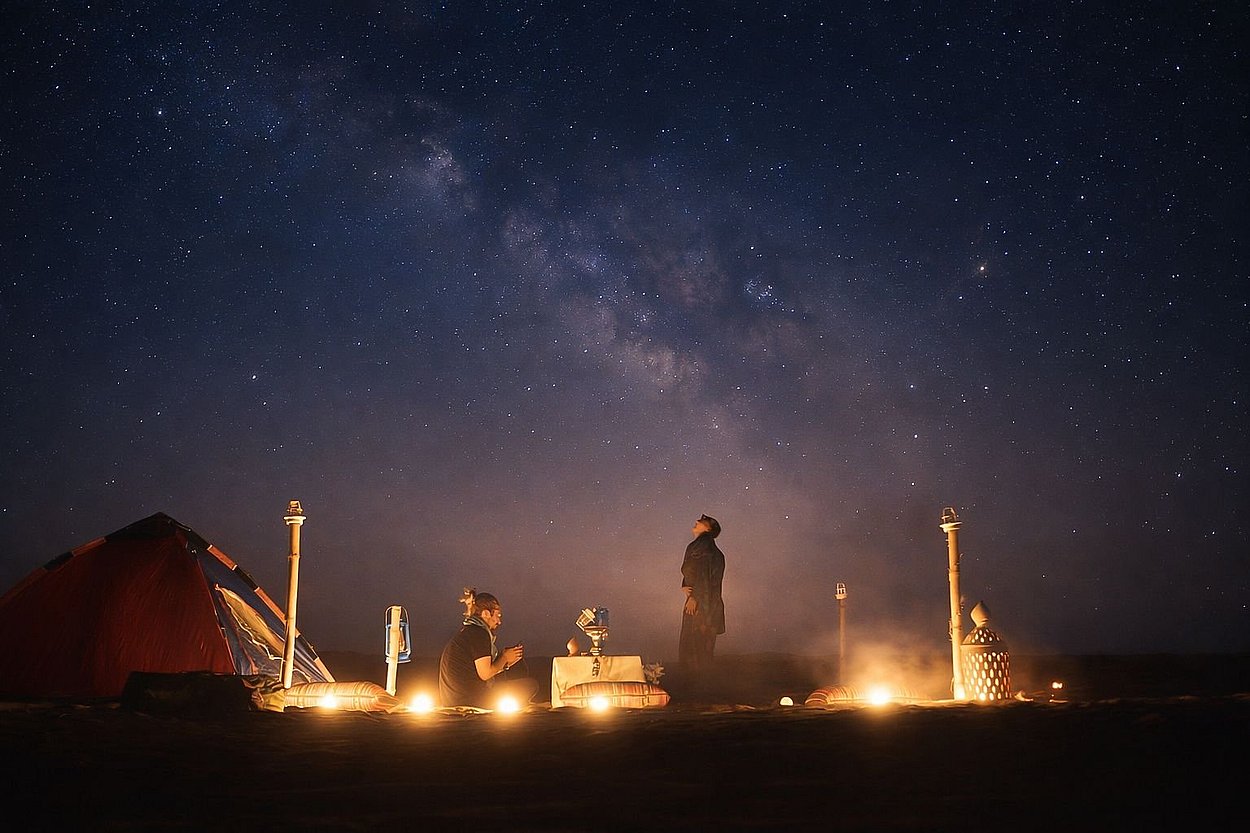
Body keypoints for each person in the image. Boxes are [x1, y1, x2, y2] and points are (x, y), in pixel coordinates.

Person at [438, 587, 537, 709]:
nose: (499, 621)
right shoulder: (479, 633)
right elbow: (485, 674)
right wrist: (504, 657)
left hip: (454, 699)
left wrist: (505, 663)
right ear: (485, 613)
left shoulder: (468, 632)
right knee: (531, 685)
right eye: (497, 615)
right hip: (470, 700)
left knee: (512, 674)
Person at [679, 514, 726, 672]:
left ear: (708, 529)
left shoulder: (702, 546)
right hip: (707, 604)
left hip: (701, 604)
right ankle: (702, 685)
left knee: (694, 646)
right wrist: (686, 585)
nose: (697, 521)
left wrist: (693, 597)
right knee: (703, 648)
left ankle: (694, 687)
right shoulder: (706, 547)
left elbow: (703, 576)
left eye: (702, 521)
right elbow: (697, 573)